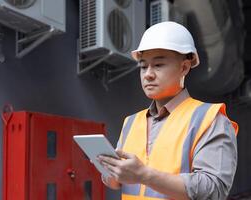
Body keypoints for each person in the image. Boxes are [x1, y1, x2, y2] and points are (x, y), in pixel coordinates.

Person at [97, 21, 238, 200]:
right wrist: (110, 172)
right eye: (143, 66)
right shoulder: (131, 121)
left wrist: (144, 175)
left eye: (158, 65)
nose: (147, 74)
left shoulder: (209, 118)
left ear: (184, 67)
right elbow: (116, 182)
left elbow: (213, 190)